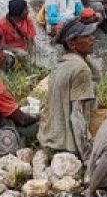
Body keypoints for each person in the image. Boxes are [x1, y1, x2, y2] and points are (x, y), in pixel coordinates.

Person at [41, 15, 100, 157]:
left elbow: (97, 77)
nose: (93, 38)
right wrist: (86, 154)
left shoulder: (62, 63)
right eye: (87, 36)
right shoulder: (81, 69)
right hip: (66, 147)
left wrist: (85, 55)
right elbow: (77, 116)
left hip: (50, 140)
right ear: (72, 44)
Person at [0, 0, 37, 65]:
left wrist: (30, 55)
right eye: (25, 10)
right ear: (18, 14)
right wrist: (16, 50)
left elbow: (31, 39)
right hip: (9, 53)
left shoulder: (28, 20)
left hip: (24, 52)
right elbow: (1, 45)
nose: (28, 11)